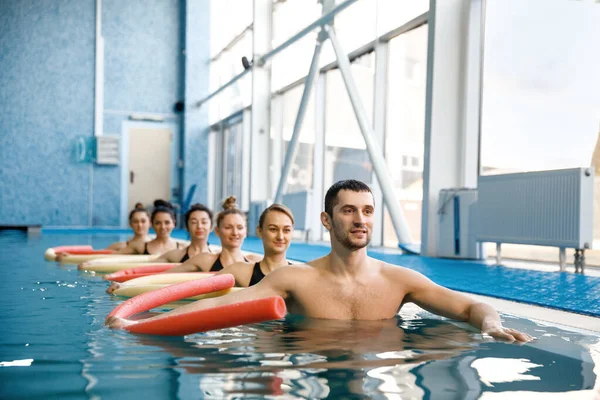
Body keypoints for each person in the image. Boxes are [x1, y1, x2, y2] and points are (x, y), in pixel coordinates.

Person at [107, 180, 532, 343]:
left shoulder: (399, 279)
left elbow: (470, 307)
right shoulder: (296, 279)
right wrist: (139, 322)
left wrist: (491, 325)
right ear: (328, 220)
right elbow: (221, 304)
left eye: (367, 210)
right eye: (349, 210)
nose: (360, 219)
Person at [166, 196, 261, 273]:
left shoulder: (255, 261)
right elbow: (164, 277)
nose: (235, 233)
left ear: (245, 231)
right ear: (217, 231)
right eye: (228, 227)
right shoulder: (205, 260)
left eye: (240, 228)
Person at [216, 203, 294, 287]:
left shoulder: (300, 275)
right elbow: (202, 288)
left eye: (286, 230)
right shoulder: (240, 271)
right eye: (273, 229)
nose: (280, 237)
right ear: (259, 231)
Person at [116, 199, 181, 255]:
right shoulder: (140, 247)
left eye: (167, 222)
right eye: (158, 223)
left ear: (174, 224)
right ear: (152, 224)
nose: (163, 227)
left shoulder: (182, 248)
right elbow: (110, 259)